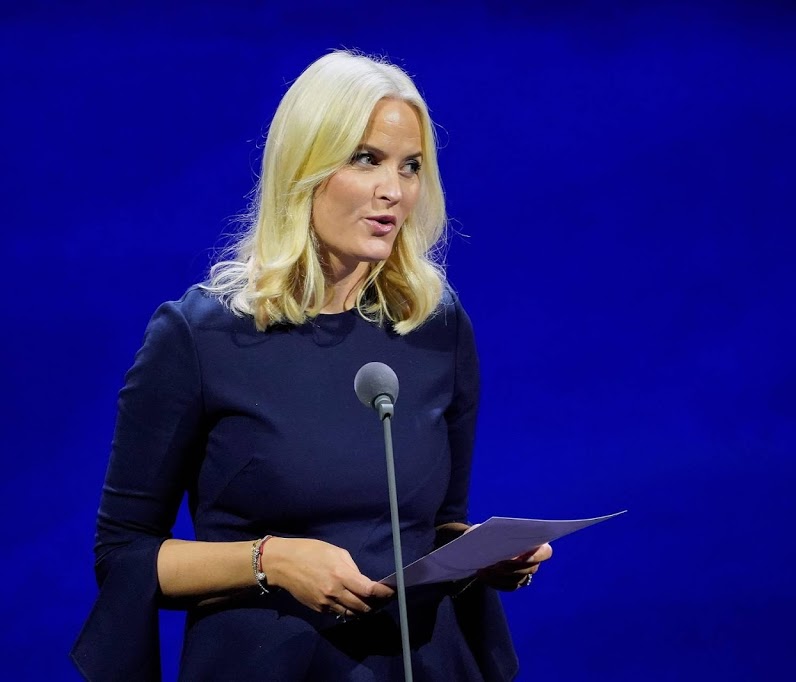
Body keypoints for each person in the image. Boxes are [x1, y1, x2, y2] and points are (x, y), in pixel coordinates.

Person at [71, 50, 552, 681]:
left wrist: (482, 556)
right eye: (366, 158)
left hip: (421, 662)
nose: (394, 190)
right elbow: (124, 555)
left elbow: (435, 525)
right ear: (305, 168)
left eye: (410, 166)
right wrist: (270, 562)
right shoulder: (198, 336)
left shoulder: (434, 325)